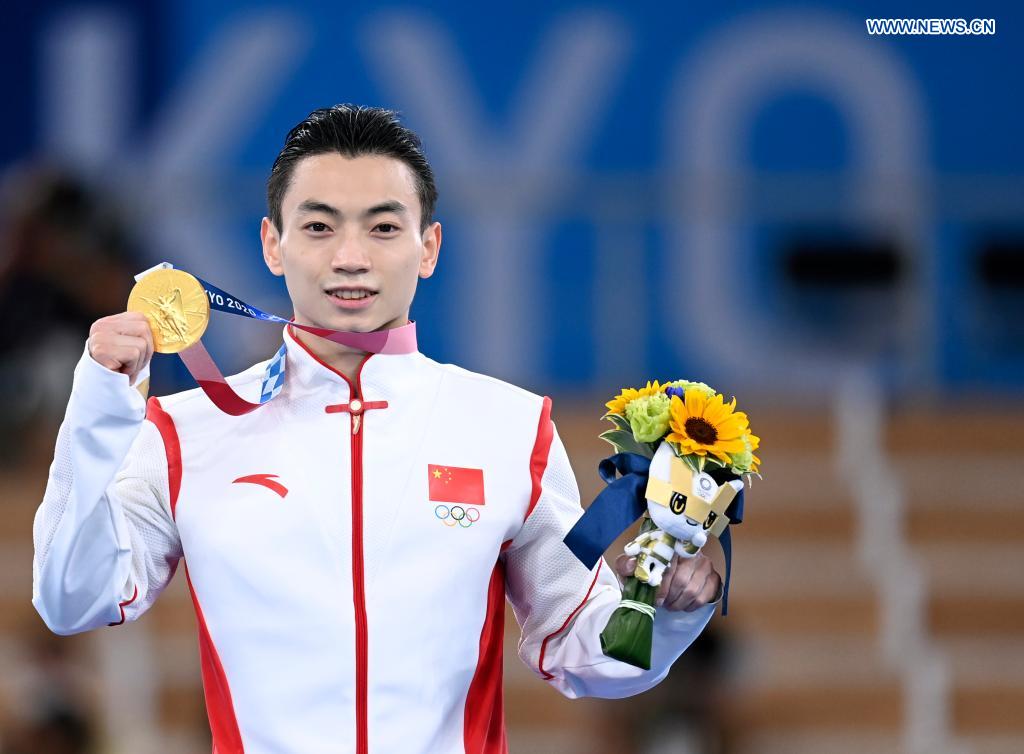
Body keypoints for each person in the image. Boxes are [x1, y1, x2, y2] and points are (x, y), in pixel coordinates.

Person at [32, 105, 723, 754]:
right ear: (272, 243)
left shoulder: (510, 428)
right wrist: (97, 413)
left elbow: (584, 650)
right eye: (319, 226)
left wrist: (663, 608)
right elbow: (72, 598)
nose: (350, 257)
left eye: (383, 228)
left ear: (429, 247)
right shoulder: (186, 431)